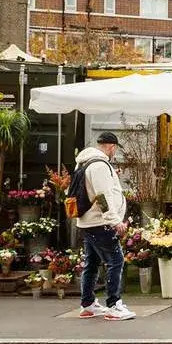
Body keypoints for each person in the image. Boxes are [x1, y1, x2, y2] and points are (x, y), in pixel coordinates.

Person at [73, 132, 134, 320]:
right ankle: (114, 305)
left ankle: (88, 304)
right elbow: (102, 196)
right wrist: (114, 220)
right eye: (115, 148)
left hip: (89, 221)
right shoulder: (99, 165)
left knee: (91, 263)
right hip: (100, 222)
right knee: (116, 261)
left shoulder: (85, 162)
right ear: (111, 147)